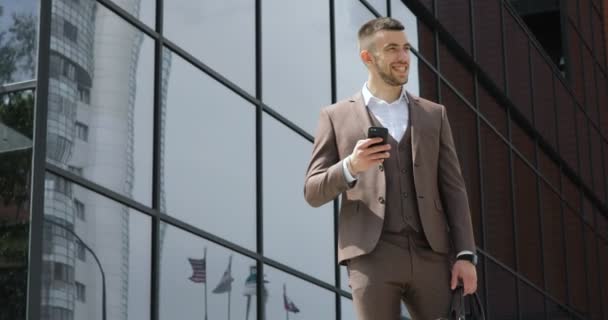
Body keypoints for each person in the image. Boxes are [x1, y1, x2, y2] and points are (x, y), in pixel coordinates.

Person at [304, 17, 477, 320]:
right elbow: (313, 191)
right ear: (367, 57)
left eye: (406, 48)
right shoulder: (336, 116)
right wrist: (350, 167)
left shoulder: (434, 115)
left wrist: (465, 254)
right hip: (372, 256)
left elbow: (454, 188)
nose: (403, 57)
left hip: (431, 254)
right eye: (392, 49)